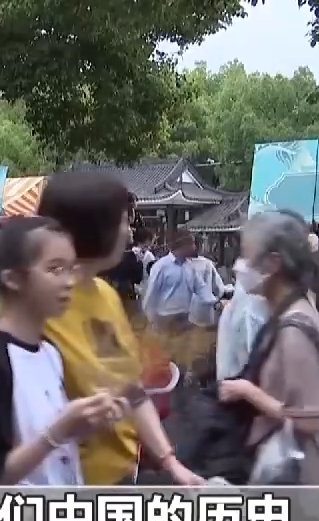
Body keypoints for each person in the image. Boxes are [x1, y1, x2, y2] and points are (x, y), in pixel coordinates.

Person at [36, 171, 201, 486]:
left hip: (121, 476)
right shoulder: (39, 308)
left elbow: (129, 387)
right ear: (94, 230)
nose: (129, 233)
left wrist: (170, 462)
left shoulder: (105, 295)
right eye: (124, 222)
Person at [0, 216, 124, 485]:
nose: (69, 281)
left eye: (71, 269)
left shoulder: (49, 351)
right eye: (55, 269)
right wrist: (56, 433)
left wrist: (84, 423)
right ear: (13, 279)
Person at [222, 210, 319, 521]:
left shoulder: (295, 326)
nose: (240, 265)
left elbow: (310, 418)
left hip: (291, 480)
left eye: (246, 256)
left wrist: (246, 391)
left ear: (272, 263)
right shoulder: (285, 315)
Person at [142, 231, 217, 331]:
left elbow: (201, 289)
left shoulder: (190, 267)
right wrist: (151, 319)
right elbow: (151, 293)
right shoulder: (161, 266)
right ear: (184, 245)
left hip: (184, 318)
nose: (195, 247)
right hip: (164, 319)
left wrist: (216, 303)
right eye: (193, 244)